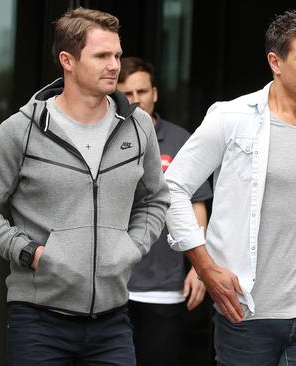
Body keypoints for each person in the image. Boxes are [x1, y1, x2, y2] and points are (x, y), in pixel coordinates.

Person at [0, 8, 169, 365]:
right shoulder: (22, 130)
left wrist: (131, 246)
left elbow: (155, 199)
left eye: (116, 55)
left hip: (113, 320)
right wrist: (31, 253)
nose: (114, 65)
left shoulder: (137, 128)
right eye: (101, 55)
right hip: (38, 321)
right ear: (67, 60)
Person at [164, 9, 296, 366]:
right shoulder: (233, 118)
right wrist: (205, 267)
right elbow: (171, 189)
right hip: (246, 309)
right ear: (275, 62)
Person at [117, 56, 213, 365]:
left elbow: (196, 203)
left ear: (154, 93)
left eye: (142, 92)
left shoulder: (179, 139)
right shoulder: (104, 136)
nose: (136, 100)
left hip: (163, 288)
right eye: (127, 94)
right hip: (112, 286)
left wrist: (199, 268)